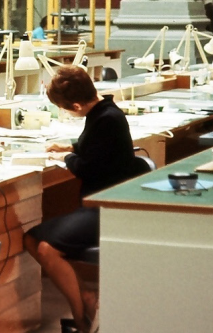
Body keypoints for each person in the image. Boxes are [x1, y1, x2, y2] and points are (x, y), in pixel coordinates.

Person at [24, 66, 135, 333]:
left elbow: (86, 167)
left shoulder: (106, 119)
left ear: (75, 104)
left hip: (106, 206)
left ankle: (81, 315)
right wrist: (71, 146)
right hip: (96, 202)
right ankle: (86, 299)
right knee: (30, 239)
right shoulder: (103, 112)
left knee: (46, 249)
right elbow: (99, 148)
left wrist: (65, 158)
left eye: (66, 108)